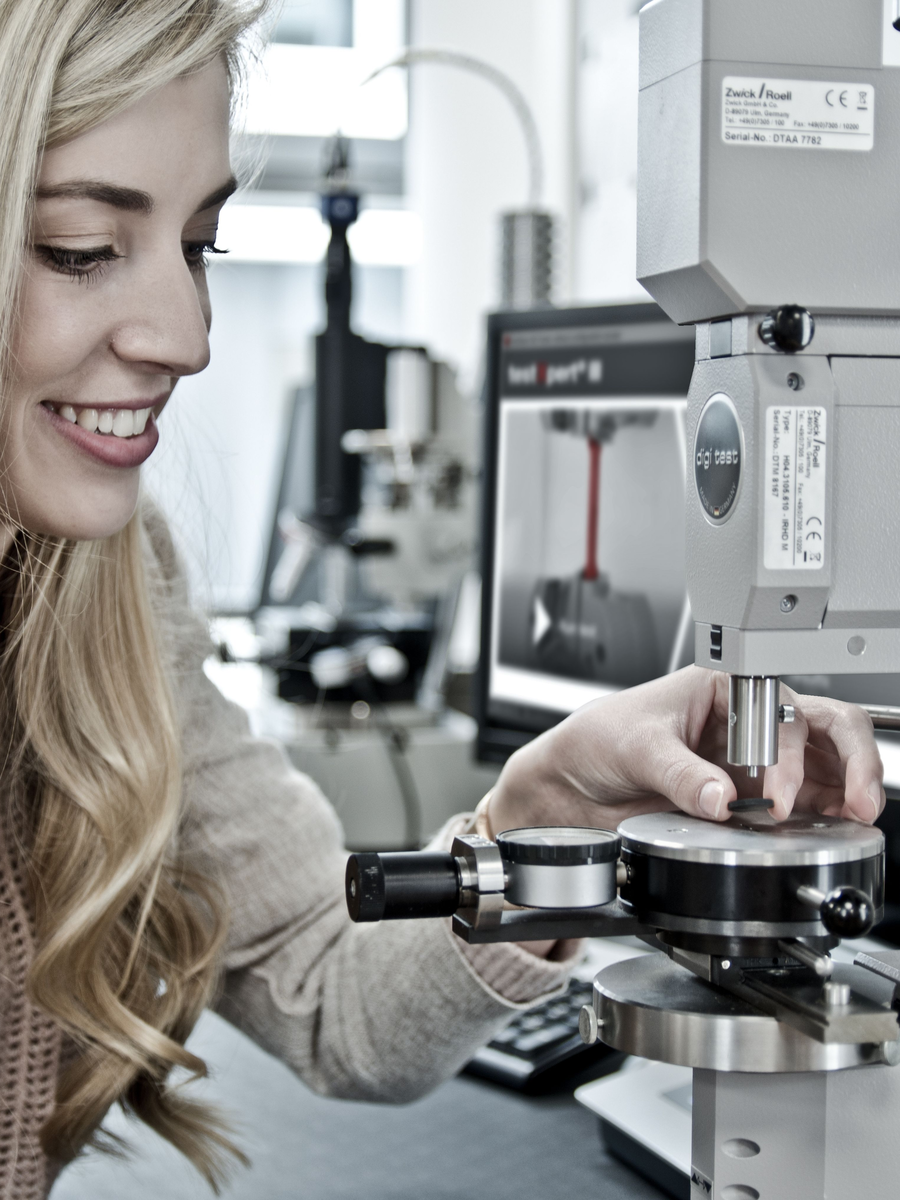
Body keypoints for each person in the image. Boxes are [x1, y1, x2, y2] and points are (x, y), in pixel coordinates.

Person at [0, 2, 884, 1197]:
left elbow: (330, 984)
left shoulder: (102, 585)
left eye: (200, 246)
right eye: (80, 247)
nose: (188, 336)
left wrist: (547, 810)